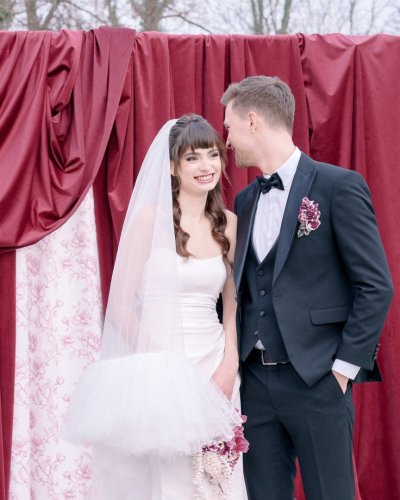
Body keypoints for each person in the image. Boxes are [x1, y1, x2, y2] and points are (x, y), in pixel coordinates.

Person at [220, 76, 393, 500]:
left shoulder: (338, 187)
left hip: (318, 381)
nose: (227, 140)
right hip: (256, 386)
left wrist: (342, 371)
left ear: (253, 121)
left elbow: (375, 286)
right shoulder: (245, 201)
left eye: (229, 126)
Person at [65, 114, 248, 499]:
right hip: (160, 363)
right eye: (192, 157)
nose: (206, 166)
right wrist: (165, 365)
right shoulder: (151, 219)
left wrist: (230, 359)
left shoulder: (229, 224)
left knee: (218, 477)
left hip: (213, 361)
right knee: (171, 480)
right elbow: (120, 306)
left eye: (213, 155)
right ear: (172, 167)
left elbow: (233, 303)